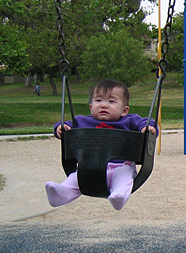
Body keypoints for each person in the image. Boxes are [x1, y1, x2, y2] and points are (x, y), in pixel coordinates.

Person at [45, 79, 157, 211]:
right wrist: (61, 128)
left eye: (111, 101)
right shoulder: (81, 121)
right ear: (91, 107)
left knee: (123, 177)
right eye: (98, 100)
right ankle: (60, 194)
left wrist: (147, 127)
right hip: (90, 168)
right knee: (75, 178)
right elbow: (65, 126)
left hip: (121, 166)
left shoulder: (130, 120)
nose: (104, 105)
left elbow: (148, 122)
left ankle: (119, 196)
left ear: (124, 110)